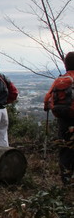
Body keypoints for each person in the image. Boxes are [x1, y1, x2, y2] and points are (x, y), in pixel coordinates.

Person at [43, 51, 74, 185]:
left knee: (65, 149)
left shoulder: (60, 79)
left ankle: (66, 180)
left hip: (64, 121)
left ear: (65, 65)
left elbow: (47, 99)